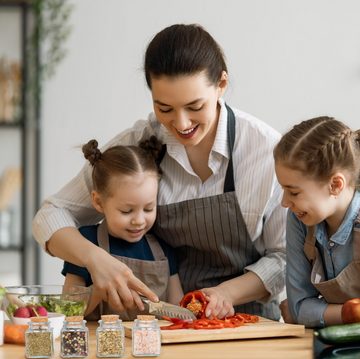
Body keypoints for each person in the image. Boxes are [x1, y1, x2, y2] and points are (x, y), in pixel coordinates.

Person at [33, 23, 286, 320]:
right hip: (163, 328)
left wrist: (226, 293)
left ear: (221, 84)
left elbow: (285, 257)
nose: (180, 124)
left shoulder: (265, 150)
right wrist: (95, 259)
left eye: (195, 106)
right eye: (164, 108)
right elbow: (50, 215)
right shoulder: (139, 142)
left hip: (252, 327)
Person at [62, 137, 183, 320]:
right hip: (99, 345)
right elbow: (68, 311)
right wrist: (98, 290)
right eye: (127, 211)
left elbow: (177, 306)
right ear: (98, 201)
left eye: (149, 208)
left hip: (154, 346)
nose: (139, 221)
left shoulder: (163, 247)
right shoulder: (86, 242)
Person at [274, 116, 360, 328]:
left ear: (335, 184)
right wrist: (348, 313)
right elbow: (298, 308)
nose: (285, 202)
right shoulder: (299, 218)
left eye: (293, 192)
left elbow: (302, 313)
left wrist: (320, 313)